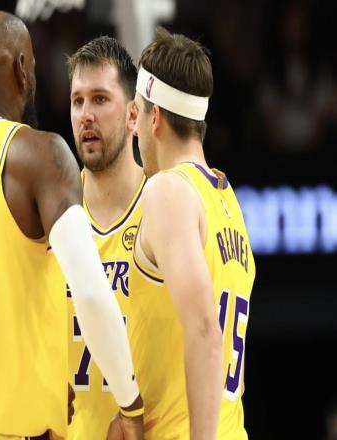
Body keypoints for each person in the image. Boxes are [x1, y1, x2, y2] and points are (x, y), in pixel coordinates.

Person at [0, 10, 143, 440]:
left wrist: (34, 377)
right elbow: (91, 292)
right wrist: (130, 405)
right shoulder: (38, 155)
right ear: (22, 70)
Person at [111, 27, 256, 439]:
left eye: (138, 113)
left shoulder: (168, 191)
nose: (134, 128)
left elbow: (206, 331)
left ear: (155, 117)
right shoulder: (227, 200)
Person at [66, 37, 145, 440]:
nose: (86, 115)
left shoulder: (167, 208)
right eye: (77, 101)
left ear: (133, 115)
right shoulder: (54, 214)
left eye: (99, 99)